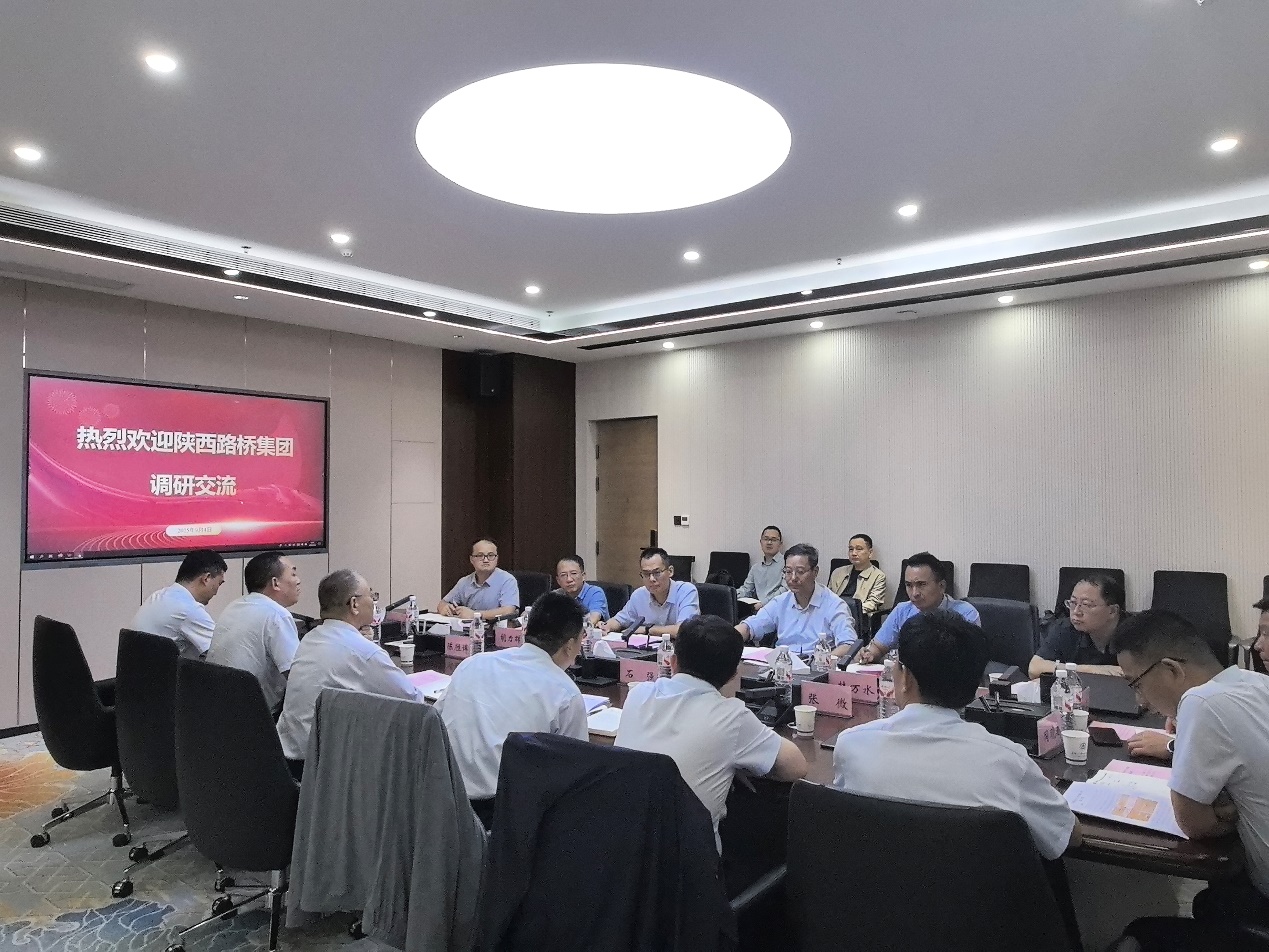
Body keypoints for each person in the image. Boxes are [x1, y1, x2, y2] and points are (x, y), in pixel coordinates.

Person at [833, 609, 1082, 860]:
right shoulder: (1008, 762)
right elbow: (1069, 835)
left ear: (905, 678)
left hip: (877, 883)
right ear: (975, 686)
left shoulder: (853, 746)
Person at [1114, 610, 1269, 949]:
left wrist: (1228, 815)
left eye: (1136, 683)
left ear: (1171, 669)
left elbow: (1195, 824)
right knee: (1211, 903)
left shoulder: (1201, 702)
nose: (1140, 700)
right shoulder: (1255, 682)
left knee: (1138, 933)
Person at [616, 614, 807, 849]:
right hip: (690, 865)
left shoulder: (638, 694)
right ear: (733, 675)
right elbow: (796, 767)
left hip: (622, 851)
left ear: (672, 661)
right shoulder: (732, 716)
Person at [438, 591, 589, 827]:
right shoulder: (565, 693)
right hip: (503, 816)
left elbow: (436, 722)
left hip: (444, 802)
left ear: (526, 629)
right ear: (570, 645)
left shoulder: (474, 662)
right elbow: (576, 771)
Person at [276, 570, 423, 777]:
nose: (374, 602)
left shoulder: (311, 638)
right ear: (354, 604)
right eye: (371, 595)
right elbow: (413, 701)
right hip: (324, 769)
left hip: (287, 760)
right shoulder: (363, 652)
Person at [206, 551, 301, 714]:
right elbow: (297, 676)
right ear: (275, 583)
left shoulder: (234, 606)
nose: (298, 580)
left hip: (216, 709)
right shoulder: (277, 614)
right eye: (293, 574)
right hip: (255, 717)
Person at [736, 543, 857, 656]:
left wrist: (823, 662)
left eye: (800, 572)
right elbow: (750, 626)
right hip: (782, 664)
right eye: (788, 572)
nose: (793, 578)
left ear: (815, 572)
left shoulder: (834, 605)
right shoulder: (781, 602)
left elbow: (848, 645)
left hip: (817, 665)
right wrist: (731, 637)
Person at [859, 552, 980, 663]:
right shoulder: (902, 611)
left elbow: (970, 662)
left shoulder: (965, 614)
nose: (914, 593)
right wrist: (870, 654)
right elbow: (878, 647)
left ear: (941, 586)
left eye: (921, 584)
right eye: (909, 585)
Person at [129, 549, 227, 659]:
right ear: (206, 578)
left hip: (136, 667)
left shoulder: (158, 596)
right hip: (157, 669)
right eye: (219, 584)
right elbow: (223, 652)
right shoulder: (189, 609)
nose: (216, 592)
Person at [1028, 572, 1126, 679]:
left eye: (1086, 605)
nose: (1076, 612)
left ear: (1112, 611)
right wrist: (1088, 670)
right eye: (1073, 603)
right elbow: (1034, 668)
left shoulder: (1135, 632)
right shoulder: (1065, 628)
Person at [603, 547, 699, 638]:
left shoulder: (686, 591)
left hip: (678, 648)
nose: (652, 579)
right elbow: (619, 620)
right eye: (646, 574)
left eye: (657, 573)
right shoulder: (639, 595)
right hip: (646, 648)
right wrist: (606, 626)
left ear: (670, 571)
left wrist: (647, 629)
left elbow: (683, 631)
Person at [436, 538, 520, 621]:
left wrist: (475, 615)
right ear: (472, 559)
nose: (486, 560)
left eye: (491, 555)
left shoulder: (507, 580)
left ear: (497, 558)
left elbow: (508, 611)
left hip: (495, 628)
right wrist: (444, 608)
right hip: (467, 628)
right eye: (480, 555)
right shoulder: (464, 582)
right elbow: (442, 603)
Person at [827, 534, 888, 622]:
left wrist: (846, 610)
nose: (854, 553)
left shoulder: (878, 576)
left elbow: (872, 604)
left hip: (856, 618)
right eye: (851, 549)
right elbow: (828, 597)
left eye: (859, 549)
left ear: (870, 553)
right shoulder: (838, 572)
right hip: (833, 615)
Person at [736, 526, 787, 608]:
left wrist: (764, 603)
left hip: (778, 608)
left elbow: (785, 590)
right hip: (758, 610)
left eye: (774, 540)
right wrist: (730, 594)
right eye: (766, 539)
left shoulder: (787, 564)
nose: (769, 542)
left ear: (780, 544)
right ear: (761, 542)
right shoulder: (755, 568)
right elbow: (746, 590)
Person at [553, 555, 609, 625]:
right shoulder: (555, 596)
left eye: (573, 573)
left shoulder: (595, 592)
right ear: (558, 580)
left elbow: (593, 619)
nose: (569, 579)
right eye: (563, 575)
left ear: (583, 576)